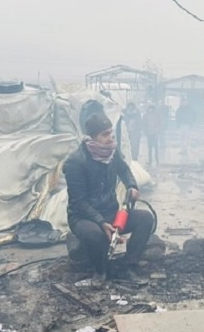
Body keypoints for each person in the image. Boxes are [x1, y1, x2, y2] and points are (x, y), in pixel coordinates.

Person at [64, 111, 154, 288]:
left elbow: (125, 169)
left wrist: (132, 186)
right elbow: (79, 202)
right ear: (91, 137)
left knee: (145, 218)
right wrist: (101, 222)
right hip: (84, 217)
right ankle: (100, 272)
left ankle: (128, 267)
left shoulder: (111, 152)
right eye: (104, 134)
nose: (110, 138)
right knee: (95, 234)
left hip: (111, 211)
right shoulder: (75, 162)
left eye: (110, 133)